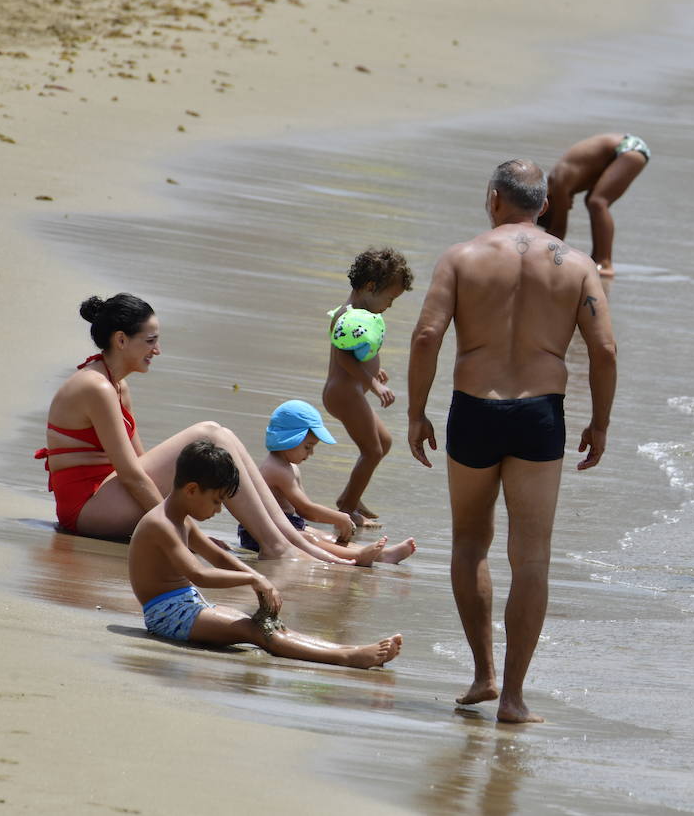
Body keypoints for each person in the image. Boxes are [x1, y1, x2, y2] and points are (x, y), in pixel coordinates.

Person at [407, 159, 617, 724]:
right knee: (531, 558)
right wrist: (600, 422)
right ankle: (514, 698)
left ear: (493, 199)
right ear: (544, 205)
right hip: (539, 416)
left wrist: (416, 413)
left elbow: (427, 335)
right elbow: (605, 351)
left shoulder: (460, 257)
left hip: (473, 410)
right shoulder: (575, 266)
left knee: (470, 544)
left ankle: (482, 673)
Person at [35, 294, 342, 562]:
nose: (157, 350)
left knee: (220, 434)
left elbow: (144, 465)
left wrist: (189, 529)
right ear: (121, 340)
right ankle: (277, 545)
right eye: (151, 340)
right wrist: (191, 537)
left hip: (107, 497)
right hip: (86, 512)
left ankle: (289, 539)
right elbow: (132, 475)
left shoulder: (117, 386)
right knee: (209, 434)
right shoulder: (96, 387)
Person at [129, 439, 402, 668]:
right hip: (168, 615)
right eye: (216, 500)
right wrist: (253, 580)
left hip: (189, 604)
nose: (219, 510)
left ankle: (344, 648)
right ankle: (347, 657)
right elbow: (199, 573)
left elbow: (219, 557)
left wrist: (260, 578)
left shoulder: (182, 519)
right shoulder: (161, 524)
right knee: (257, 630)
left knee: (270, 623)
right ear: (191, 490)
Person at [242, 399, 417, 565]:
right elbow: (306, 509)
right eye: (307, 447)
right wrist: (339, 517)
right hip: (260, 533)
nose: (310, 453)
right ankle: (359, 556)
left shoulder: (289, 467)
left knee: (323, 536)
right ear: (290, 439)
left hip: (287, 524)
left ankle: (381, 555)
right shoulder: (276, 469)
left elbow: (302, 512)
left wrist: (337, 520)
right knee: (310, 538)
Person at [322, 247, 413, 529]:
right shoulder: (347, 315)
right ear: (371, 287)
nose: (389, 305)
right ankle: (347, 509)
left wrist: (375, 368)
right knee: (372, 450)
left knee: (382, 443)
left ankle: (351, 496)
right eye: (390, 298)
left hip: (351, 391)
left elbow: (358, 352)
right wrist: (372, 382)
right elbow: (343, 358)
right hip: (344, 394)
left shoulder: (360, 314)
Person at [536, 132, 650, 277]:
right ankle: (597, 259)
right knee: (592, 200)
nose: (568, 208)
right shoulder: (556, 184)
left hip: (629, 148)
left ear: (546, 205)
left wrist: (537, 258)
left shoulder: (557, 184)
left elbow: (558, 232)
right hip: (624, 150)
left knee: (597, 202)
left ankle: (605, 263)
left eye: (560, 208)